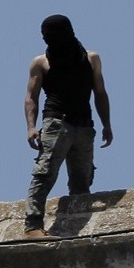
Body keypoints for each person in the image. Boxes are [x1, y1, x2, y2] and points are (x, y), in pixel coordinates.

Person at [22, 15, 113, 239]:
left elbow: (99, 93)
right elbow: (31, 97)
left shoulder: (90, 59)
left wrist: (107, 124)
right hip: (56, 123)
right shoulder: (41, 63)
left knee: (82, 181)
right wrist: (31, 127)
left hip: (84, 126)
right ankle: (33, 226)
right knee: (45, 174)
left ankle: (75, 226)